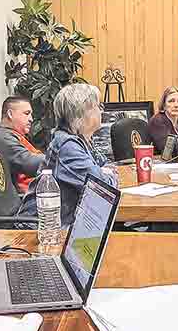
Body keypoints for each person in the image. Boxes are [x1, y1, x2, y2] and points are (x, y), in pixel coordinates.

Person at [18, 84, 118, 226]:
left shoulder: (82, 139)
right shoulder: (67, 147)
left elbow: (106, 165)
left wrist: (106, 172)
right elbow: (105, 188)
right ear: (82, 113)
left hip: (66, 223)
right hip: (43, 229)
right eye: (98, 106)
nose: (101, 111)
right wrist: (109, 175)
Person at [0, 95, 44, 193]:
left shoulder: (14, 136)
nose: (31, 119)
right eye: (26, 113)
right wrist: (61, 156)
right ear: (10, 114)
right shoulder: (3, 138)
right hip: (29, 200)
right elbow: (29, 163)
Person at [146, 85, 178, 155]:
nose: (176, 105)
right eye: (171, 101)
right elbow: (168, 149)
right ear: (164, 105)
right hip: (161, 163)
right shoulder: (157, 121)